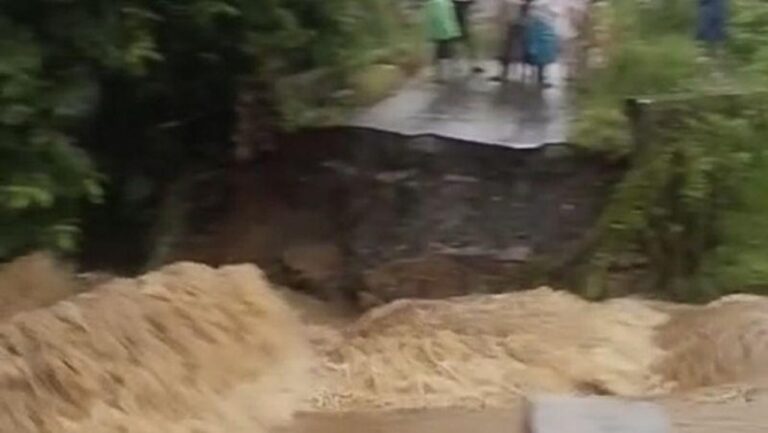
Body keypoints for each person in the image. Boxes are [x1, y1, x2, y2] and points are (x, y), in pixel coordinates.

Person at [424, 0, 462, 82]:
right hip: (447, 30)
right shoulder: (448, 3)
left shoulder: (431, 4)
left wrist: (429, 32)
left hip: (438, 31)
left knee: (440, 52)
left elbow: (430, 19)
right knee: (446, 51)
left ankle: (441, 75)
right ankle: (447, 72)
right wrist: (455, 29)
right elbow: (452, 17)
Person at [492, 0, 529, 82]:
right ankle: (523, 72)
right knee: (521, 46)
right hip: (521, 23)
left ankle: (505, 73)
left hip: (513, 23)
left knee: (508, 47)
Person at [524, 0, 559, 87]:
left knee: (537, 53)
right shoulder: (544, 4)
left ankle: (536, 75)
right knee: (540, 54)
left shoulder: (537, 5)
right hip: (542, 27)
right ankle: (539, 77)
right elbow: (554, 12)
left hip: (540, 26)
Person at [452, 0, 483, 73]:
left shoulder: (456, 4)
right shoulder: (460, 5)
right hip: (460, 25)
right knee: (465, 45)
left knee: (461, 45)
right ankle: (471, 64)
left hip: (459, 25)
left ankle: (460, 65)